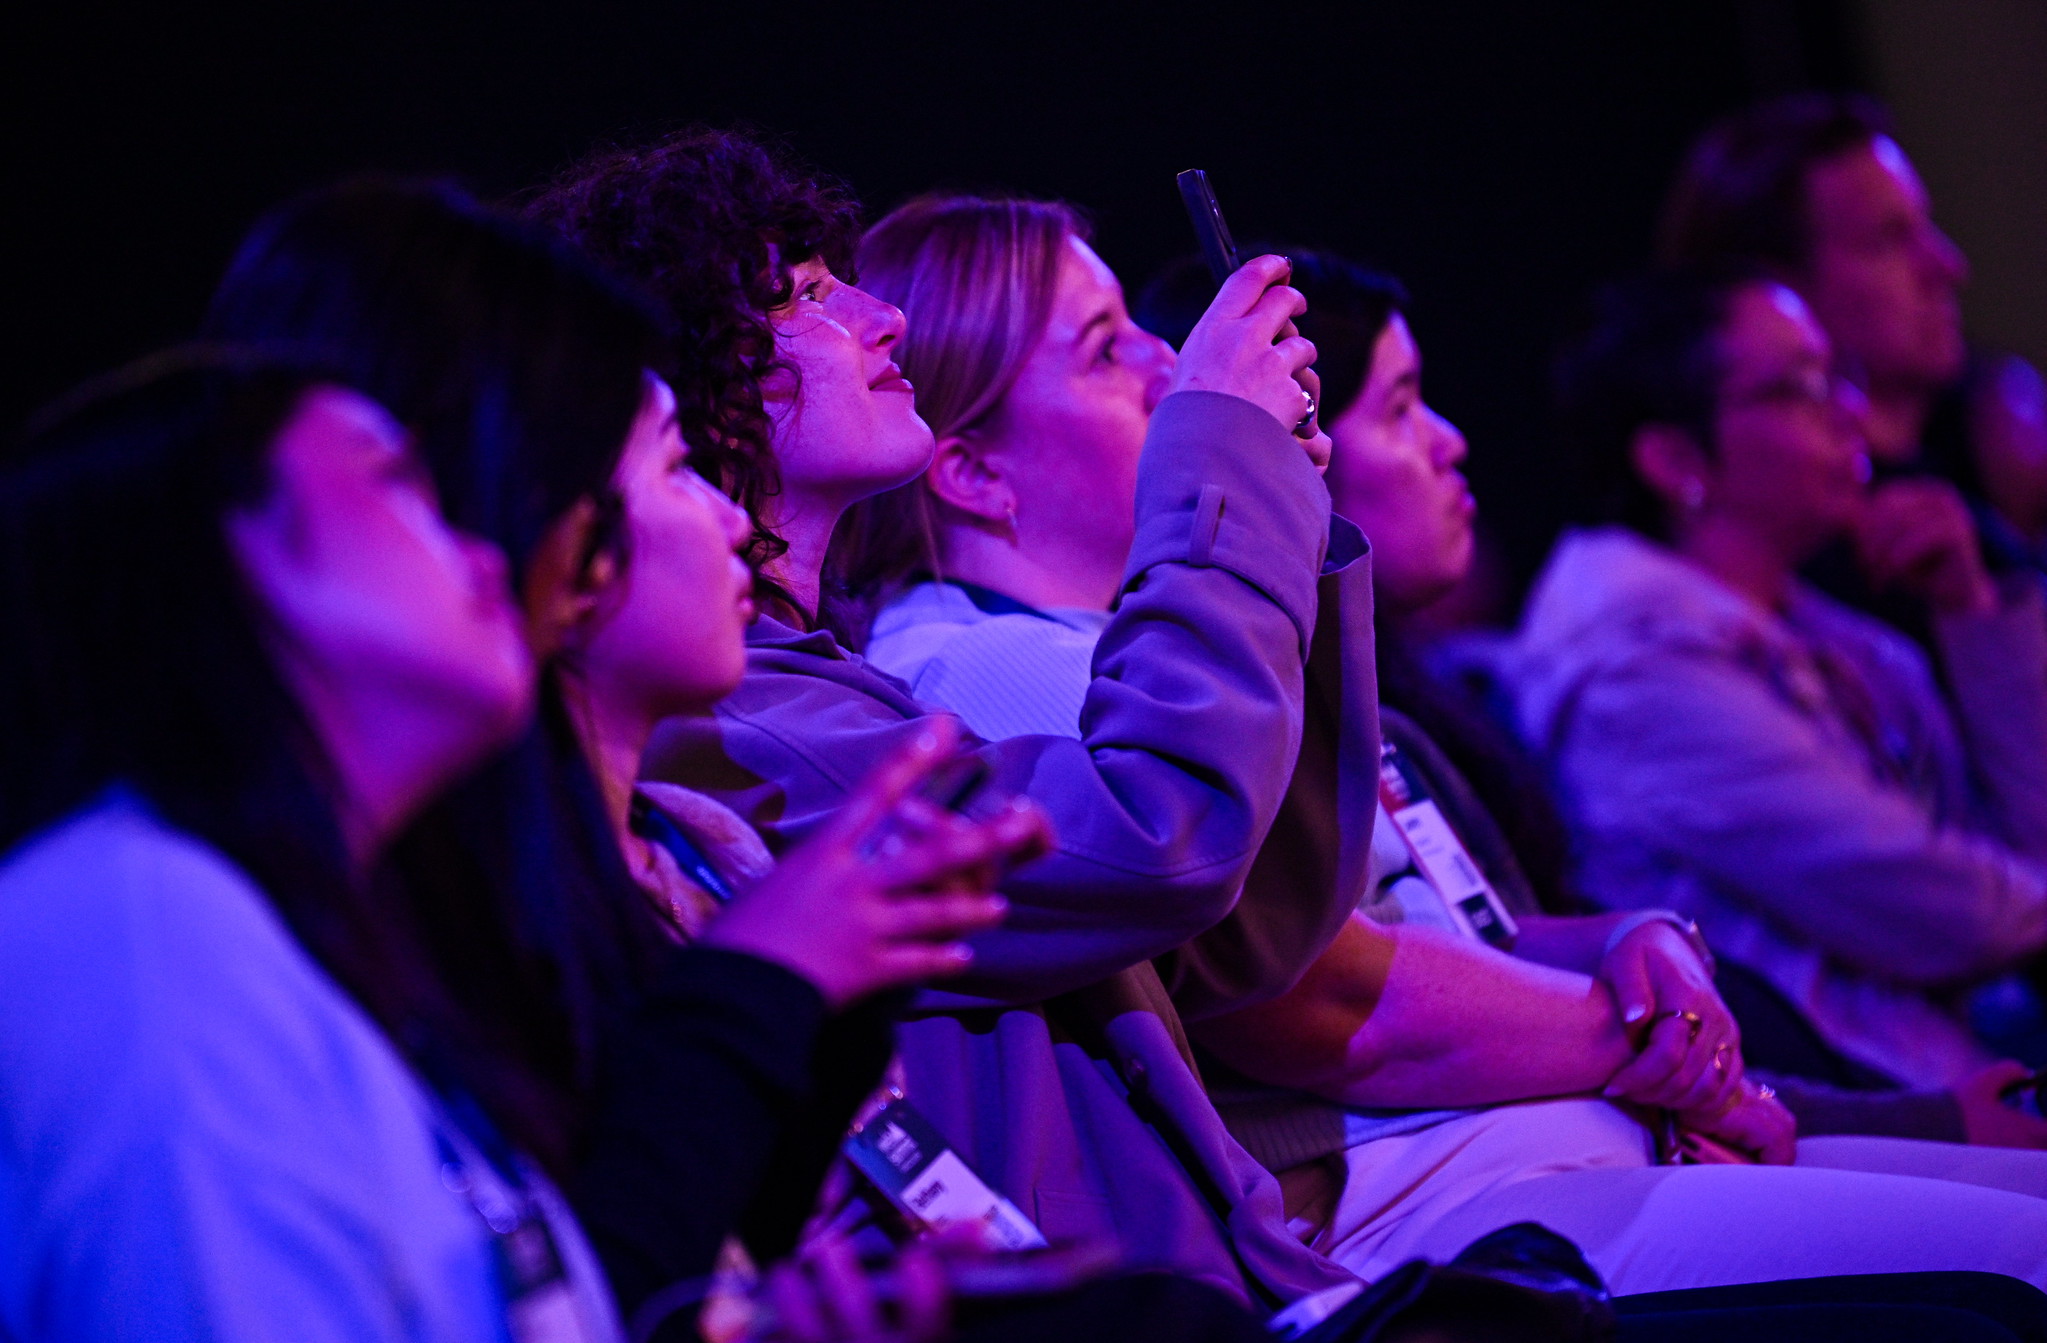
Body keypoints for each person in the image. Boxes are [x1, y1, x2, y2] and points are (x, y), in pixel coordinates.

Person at [835, 200, 2047, 1295]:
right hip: (1432, 1202)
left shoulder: (1134, 628)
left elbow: (1453, 926)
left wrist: (1639, 943)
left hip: (1541, 1141)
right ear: (976, 472)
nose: (1172, 364)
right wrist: (1664, 1054)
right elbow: (1297, 989)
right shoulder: (980, 662)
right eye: (1108, 348)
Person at [527, 125, 1399, 1320]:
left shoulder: (825, 678)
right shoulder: (740, 726)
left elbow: (1239, 932)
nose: (879, 319)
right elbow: (1166, 833)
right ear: (697, 385)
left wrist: (1274, 510)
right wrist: (1220, 467)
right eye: (804, 295)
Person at [199, 179, 1061, 1342]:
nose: (713, 517)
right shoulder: (211, 923)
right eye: (671, 470)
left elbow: (662, 1266)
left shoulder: (683, 841)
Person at [0, 348, 629, 1340]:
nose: (483, 553)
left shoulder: (315, 934)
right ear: (209, 554)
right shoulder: (140, 929)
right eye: (397, 486)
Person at [1504, 264, 2047, 1100]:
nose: (1850, 414)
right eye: (1800, 387)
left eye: (1840, 378)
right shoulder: (1632, 673)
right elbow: (1929, 910)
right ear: (1675, 457)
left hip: (1961, 1057)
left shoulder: (1829, 630)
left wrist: (1973, 611)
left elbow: (2023, 844)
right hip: (1846, 1110)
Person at [1657, 92, 2047, 635]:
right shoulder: (1808, 551)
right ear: (1776, 289)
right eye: (1888, 241)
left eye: (1924, 228)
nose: (1946, 267)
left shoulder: (1991, 438)